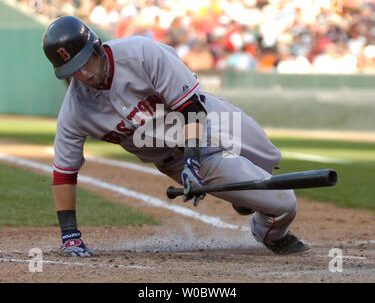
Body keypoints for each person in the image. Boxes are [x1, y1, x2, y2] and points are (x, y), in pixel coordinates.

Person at [42, 16, 310, 257]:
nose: (84, 73)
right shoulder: (75, 110)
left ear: (97, 48)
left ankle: (242, 198)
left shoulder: (140, 53)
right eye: (73, 70)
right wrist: (70, 235)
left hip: (213, 118)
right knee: (283, 203)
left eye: (85, 61)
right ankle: (269, 233)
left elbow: (191, 108)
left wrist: (193, 158)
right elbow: (64, 172)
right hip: (179, 159)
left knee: (269, 160)